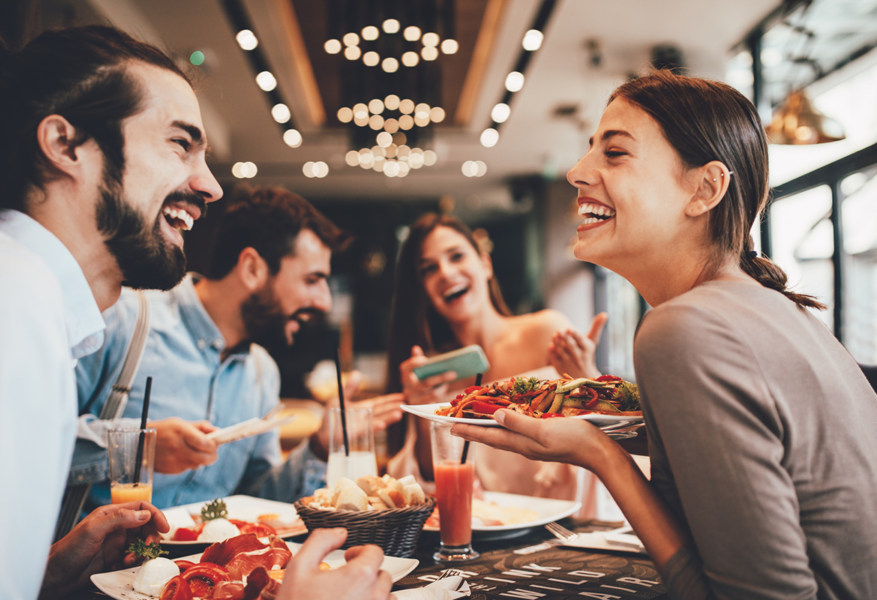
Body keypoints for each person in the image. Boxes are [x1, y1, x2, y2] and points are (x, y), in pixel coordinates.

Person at [0, 18, 391, 600]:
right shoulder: (7, 297)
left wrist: (45, 577)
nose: (211, 186)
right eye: (180, 143)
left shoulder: (26, 294)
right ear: (66, 145)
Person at [452, 70, 877, 599]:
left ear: (705, 189)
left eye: (615, 153)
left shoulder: (684, 326)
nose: (577, 172)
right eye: (590, 151)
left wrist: (600, 453)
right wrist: (614, 425)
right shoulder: (783, 314)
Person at [74, 186, 404, 509]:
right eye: (312, 280)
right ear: (252, 269)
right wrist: (138, 447)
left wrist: (319, 446)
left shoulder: (262, 372)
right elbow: (32, 439)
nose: (324, 301)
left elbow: (259, 500)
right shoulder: (122, 320)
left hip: (205, 564)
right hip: (99, 562)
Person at [385, 214, 614, 514]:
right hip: (485, 537)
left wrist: (589, 378)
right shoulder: (435, 376)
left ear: (485, 264)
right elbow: (433, 479)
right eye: (429, 269)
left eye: (456, 256)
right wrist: (421, 410)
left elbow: (603, 437)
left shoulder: (545, 333)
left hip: (569, 522)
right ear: (423, 289)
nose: (445, 272)